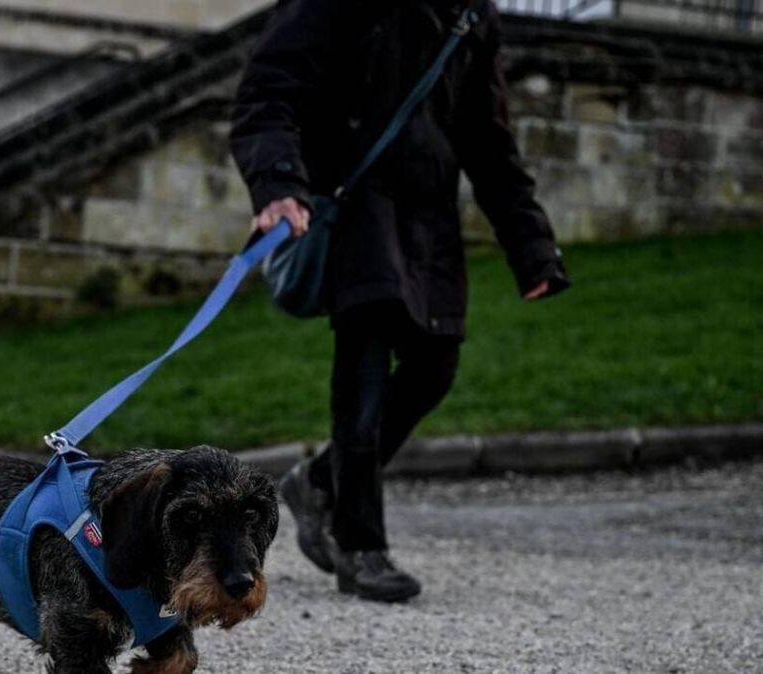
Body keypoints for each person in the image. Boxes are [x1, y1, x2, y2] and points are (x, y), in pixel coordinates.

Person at [229, 0, 571, 603]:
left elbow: (488, 141)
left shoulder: (472, 15)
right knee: (363, 363)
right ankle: (361, 545)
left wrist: (532, 248)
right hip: (356, 203)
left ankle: (317, 483)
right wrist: (278, 182)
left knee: (437, 363)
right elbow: (268, 89)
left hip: (429, 220)